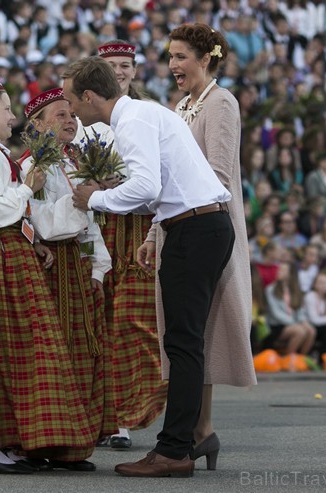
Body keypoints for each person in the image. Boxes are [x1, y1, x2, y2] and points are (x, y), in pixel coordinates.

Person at [64, 56, 235, 478]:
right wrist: (154, 229)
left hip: (195, 230)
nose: (71, 111)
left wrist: (95, 199)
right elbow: (166, 184)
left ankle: (175, 449)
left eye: (71, 101)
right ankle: (187, 440)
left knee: (181, 344)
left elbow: (147, 186)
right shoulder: (146, 112)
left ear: (89, 96)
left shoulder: (132, 121)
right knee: (182, 342)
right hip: (194, 225)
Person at [0, 77, 99, 474]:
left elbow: (4, 214)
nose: (12, 116)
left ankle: (13, 441)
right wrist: (28, 189)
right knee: (0, 351)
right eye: (5, 109)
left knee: (13, 352)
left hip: (4, 247)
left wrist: (30, 237)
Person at [145, 23, 256, 471]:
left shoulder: (221, 103)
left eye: (180, 56)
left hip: (207, 226)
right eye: (170, 56)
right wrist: (155, 233)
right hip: (179, 225)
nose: (173, 65)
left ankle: (194, 433)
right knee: (196, 332)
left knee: (193, 332)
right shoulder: (183, 106)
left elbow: (218, 175)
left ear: (206, 58)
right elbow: (169, 178)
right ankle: (201, 431)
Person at [19, 88, 117, 469]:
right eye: (59, 115)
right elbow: (41, 223)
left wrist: (97, 268)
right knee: (49, 357)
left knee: (81, 354)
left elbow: (91, 226)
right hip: (47, 267)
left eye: (71, 114)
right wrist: (81, 199)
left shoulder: (74, 162)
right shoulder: (31, 167)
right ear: (37, 125)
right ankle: (45, 441)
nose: (69, 120)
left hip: (77, 267)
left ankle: (75, 443)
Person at [86, 40, 168, 450]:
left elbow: (160, 174)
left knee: (136, 323)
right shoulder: (86, 121)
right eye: (111, 65)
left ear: (135, 71)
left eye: (126, 65)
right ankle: (108, 419)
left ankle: (135, 411)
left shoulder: (148, 112)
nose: (119, 71)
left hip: (138, 229)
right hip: (97, 227)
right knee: (98, 322)